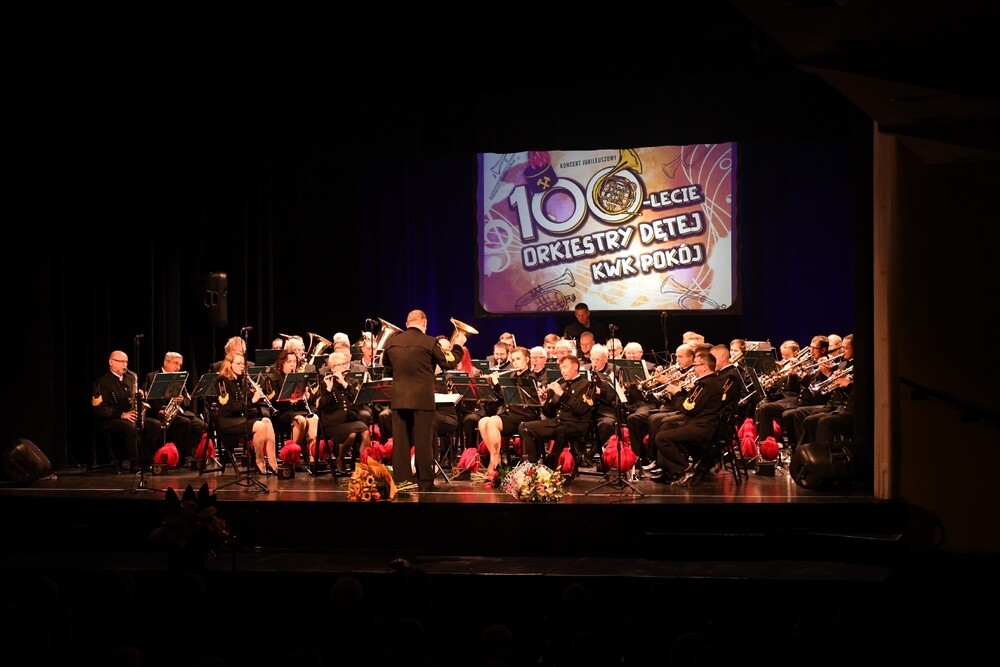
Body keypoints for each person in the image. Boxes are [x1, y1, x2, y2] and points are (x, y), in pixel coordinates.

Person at [381, 310, 466, 492]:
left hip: (399, 399)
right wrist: (458, 346)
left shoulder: (392, 342)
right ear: (424, 323)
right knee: (423, 442)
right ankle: (425, 483)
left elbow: (387, 367)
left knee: (401, 444)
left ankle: (402, 483)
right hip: (422, 400)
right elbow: (448, 363)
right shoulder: (429, 342)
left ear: (407, 323)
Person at [650, 350, 724, 485]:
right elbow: (691, 403)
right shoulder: (707, 382)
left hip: (703, 427)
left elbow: (688, 408)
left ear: (705, 367)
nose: (693, 367)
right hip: (697, 423)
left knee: (662, 438)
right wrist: (682, 392)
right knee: (666, 426)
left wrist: (677, 394)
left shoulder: (706, 384)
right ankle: (668, 471)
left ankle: (683, 470)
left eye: (695, 365)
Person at [93, 350, 163, 471]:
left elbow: (133, 400)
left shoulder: (131, 378)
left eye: (126, 362)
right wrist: (122, 415)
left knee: (155, 425)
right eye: (121, 361)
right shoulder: (101, 382)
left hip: (131, 416)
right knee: (131, 427)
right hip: (111, 419)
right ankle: (134, 463)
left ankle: (146, 460)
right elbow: (99, 409)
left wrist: (140, 396)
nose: (125, 365)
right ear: (111, 362)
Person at [518, 354, 593, 466]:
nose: (563, 371)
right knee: (524, 427)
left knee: (560, 431)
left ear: (575, 367)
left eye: (565, 367)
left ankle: (556, 466)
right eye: (561, 368)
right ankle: (531, 464)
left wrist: (562, 394)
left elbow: (581, 409)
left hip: (576, 424)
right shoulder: (562, 385)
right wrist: (544, 402)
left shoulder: (587, 385)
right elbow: (551, 413)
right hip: (558, 423)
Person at [477, 346, 540, 477]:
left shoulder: (531, 378)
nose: (515, 362)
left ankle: (494, 461)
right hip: (511, 414)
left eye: (518, 359)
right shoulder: (512, 376)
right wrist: (494, 385)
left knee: (492, 422)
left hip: (524, 416)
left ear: (527, 359)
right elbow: (502, 399)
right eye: (513, 360)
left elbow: (526, 401)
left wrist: (499, 384)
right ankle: (496, 457)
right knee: (483, 421)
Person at [215, 351, 277, 475]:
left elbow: (247, 406)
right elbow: (228, 407)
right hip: (228, 421)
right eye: (238, 364)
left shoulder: (242, 380)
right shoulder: (222, 381)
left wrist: (255, 396)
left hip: (241, 418)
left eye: (243, 364)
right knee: (260, 426)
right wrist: (251, 400)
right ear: (229, 364)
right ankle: (259, 461)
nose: (242, 367)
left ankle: (273, 463)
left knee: (267, 421)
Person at [143, 351, 207, 463]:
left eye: (180, 365)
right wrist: (160, 410)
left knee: (202, 425)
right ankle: (178, 458)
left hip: (178, 412)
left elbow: (188, 400)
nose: (178, 367)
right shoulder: (151, 377)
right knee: (184, 423)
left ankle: (192, 455)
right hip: (159, 413)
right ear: (166, 362)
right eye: (176, 363)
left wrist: (182, 400)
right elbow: (147, 399)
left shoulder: (180, 378)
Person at [316, 350, 372, 474]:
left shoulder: (352, 382)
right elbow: (321, 406)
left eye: (345, 364)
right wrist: (328, 389)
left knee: (365, 432)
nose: (343, 367)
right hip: (332, 422)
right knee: (351, 435)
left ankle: (364, 465)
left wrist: (344, 383)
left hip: (349, 420)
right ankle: (340, 458)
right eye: (339, 365)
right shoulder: (324, 383)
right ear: (332, 368)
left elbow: (358, 400)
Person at [264, 349, 319, 463]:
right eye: (289, 361)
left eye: (294, 361)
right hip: (283, 413)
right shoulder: (273, 379)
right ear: (281, 363)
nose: (292, 364)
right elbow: (274, 402)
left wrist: (308, 396)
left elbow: (313, 400)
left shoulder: (300, 377)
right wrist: (290, 400)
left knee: (314, 418)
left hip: (300, 411)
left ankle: (311, 456)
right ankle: (291, 456)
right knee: (301, 420)